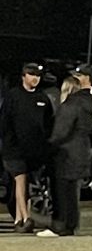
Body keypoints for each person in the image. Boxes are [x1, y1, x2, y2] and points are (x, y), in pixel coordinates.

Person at [39, 72, 92, 237]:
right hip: (81, 151)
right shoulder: (86, 104)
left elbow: (60, 132)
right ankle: (71, 224)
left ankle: (59, 225)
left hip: (66, 153)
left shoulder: (69, 106)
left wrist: (48, 146)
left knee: (61, 190)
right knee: (72, 192)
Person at [1, 63, 53, 232]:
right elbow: (4, 123)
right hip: (14, 150)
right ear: (23, 76)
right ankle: (26, 217)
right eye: (31, 75)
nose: (35, 78)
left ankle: (18, 220)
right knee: (20, 181)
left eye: (37, 75)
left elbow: (47, 124)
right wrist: (8, 144)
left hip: (34, 151)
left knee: (24, 184)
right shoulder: (13, 96)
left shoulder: (42, 98)